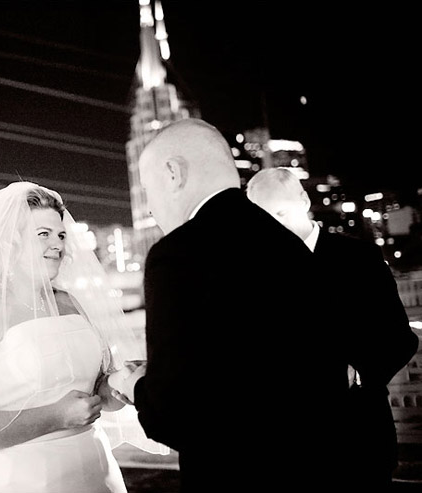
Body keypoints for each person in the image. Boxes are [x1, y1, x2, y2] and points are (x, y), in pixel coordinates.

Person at [108, 118, 353, 491]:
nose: (151, 205)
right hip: (318, 467)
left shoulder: (178, 254)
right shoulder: (290, 245)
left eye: (147, 188)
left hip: (236, 473)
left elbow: (174, 416)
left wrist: (136, 384)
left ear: (173, 173)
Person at [0, 182, 163, 493]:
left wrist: (116, 386)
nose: (58, 245)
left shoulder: (70, 303)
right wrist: (56, 416)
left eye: (61, 234)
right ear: (9, 244)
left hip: (93, 471)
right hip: (16, 480)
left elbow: (91, 390)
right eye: (43, 235)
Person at [246, 167, 418, 490]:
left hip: (359, 438)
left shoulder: (360, 258)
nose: (274, 226)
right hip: (289, 451)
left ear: (304, 200)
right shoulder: (257, 274)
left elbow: (400, 337)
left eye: (280, 213)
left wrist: (358, 370)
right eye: (264, 219)